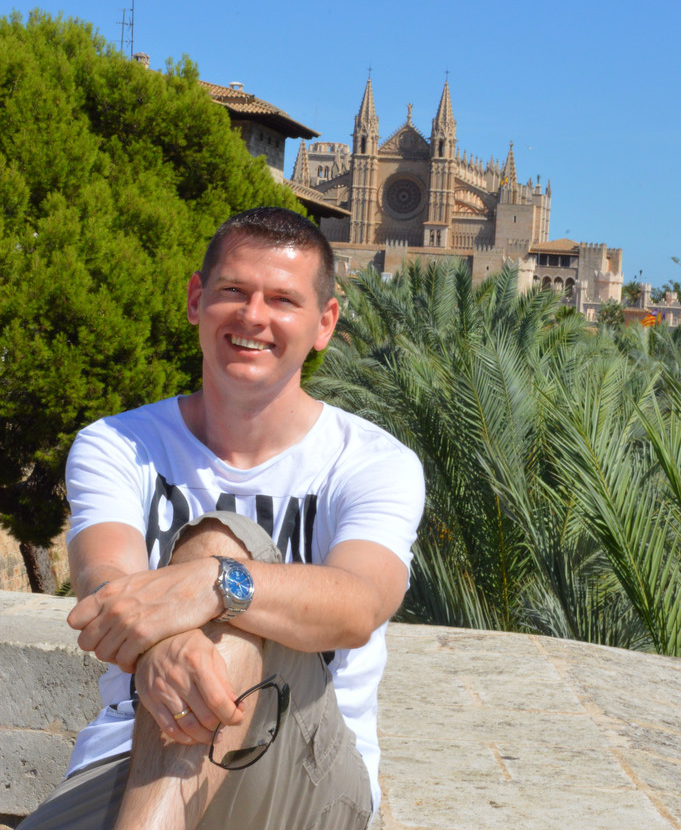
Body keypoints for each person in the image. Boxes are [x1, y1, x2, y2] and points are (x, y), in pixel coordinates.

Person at [21, 207, 425, 830]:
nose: (253, 316)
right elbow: (105, 584)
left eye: (282, 300)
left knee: (222, 543)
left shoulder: (371, 461)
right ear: (196, 300)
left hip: (302, 773)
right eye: (234, 290)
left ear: (324, 323)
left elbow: (360, 604)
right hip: (126, 760)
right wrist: (165, 640)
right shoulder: (116, 444)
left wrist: (212, 582)